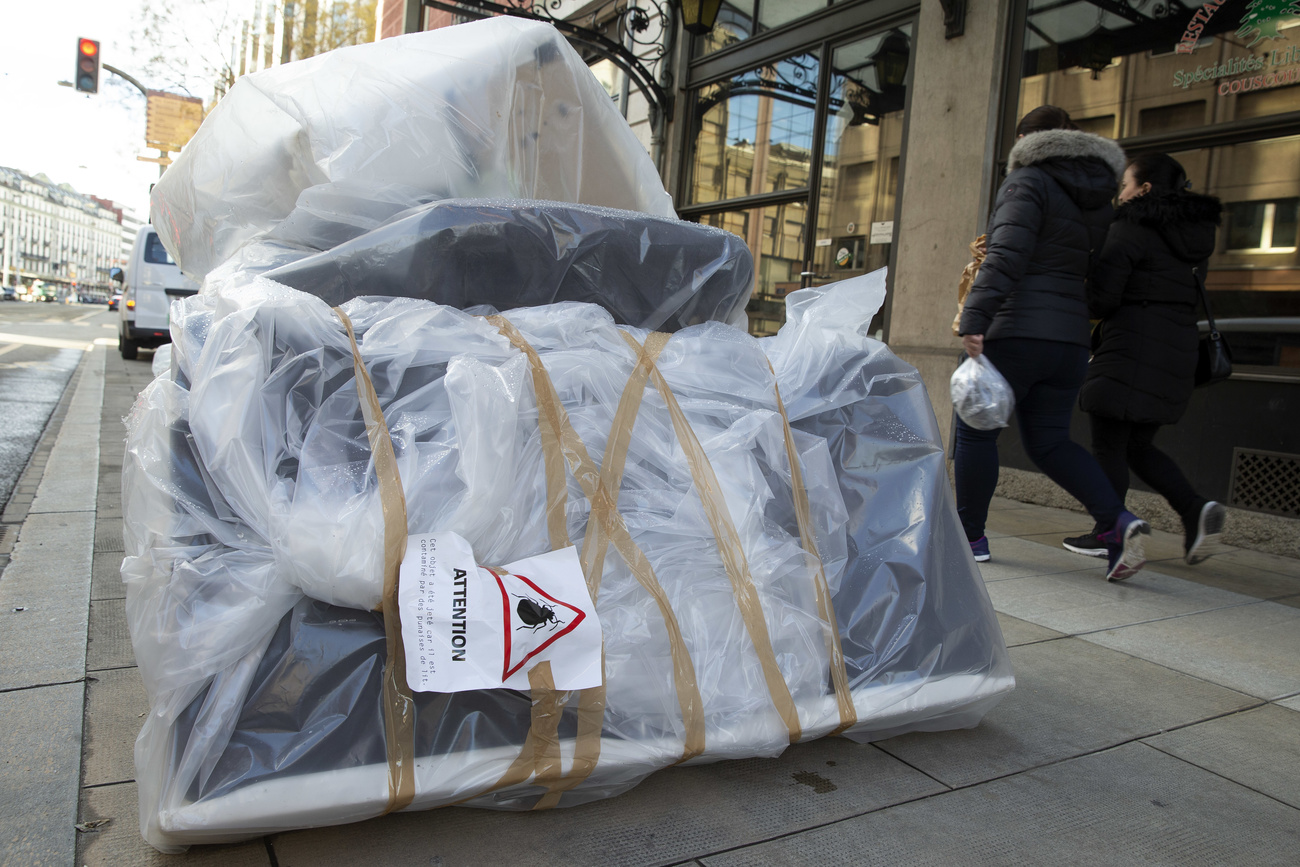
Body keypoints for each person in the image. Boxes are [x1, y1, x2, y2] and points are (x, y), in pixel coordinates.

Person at [956, 105, 1150, 582]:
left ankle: (970, 538)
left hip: (1017, 328)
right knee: (1050, 441)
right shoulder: (1100, 198)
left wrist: (975, 317)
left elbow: (1007, 255)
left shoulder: (1027, 182)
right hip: (1068, 341)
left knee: (976, 429)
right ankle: (1116, 521)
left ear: (1025, 139)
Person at [1062, 154, 1227, 564]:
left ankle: (1109, 531)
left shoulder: (1130, 226)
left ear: (1145, 188)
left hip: (1131, 347)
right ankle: (1194, 509)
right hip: (1176, 349)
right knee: (1137, 444)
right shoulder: (1194, 235)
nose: (1122, 193)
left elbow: (1102, 297)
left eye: (1126, 185)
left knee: (1109, 444)